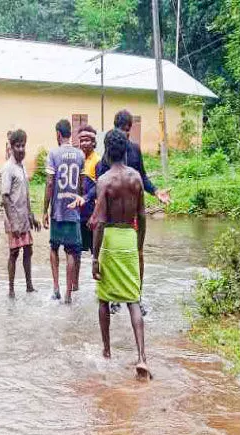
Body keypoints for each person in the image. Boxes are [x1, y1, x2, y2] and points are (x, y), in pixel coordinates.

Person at [91, 129, 151, 380]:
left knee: (104, 299)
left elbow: (100, 222)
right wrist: (139, 246)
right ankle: (142, 357)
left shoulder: (104, 181)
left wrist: (95, 256)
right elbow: (142, 216)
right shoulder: (136, 178)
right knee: (133, 299)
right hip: (129, 238)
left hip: (111, 240)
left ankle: (106, 351)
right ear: (126, 150)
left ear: (106, 152)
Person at [43, 119, 85, 304]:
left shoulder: (53, 154)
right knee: (70, 252)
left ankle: (56, 289)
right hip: (73, 209)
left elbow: (50, 183)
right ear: (70, 134)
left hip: (58, 209)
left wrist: (44, 210)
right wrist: (78, 201)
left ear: (58, 134)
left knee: (54, 247)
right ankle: (69, 295)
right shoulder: (80, 155)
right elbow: (82, 185)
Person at [1, 129, 40, 298]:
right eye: (18, 146)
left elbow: (26, 193)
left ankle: (29, 286)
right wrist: (14, 222)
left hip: (24, 217)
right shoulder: (8, 168)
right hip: (14, 219)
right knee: (14, 253)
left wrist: (32, 216)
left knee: (28, 250)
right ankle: (11, 289)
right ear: (11, 147)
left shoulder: (22, 167)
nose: (21, 149)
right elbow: (5, 197)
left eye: (23, 145)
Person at [75, 124, 100, 286]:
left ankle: (101, 288)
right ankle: (74, 287)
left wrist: (95, 215)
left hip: (92, 216)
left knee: (96, 254)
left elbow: (101, 189)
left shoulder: (98, 161)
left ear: (94, 142)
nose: (84, 143)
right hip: (78, 215)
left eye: (88, 140)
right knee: (75, 252)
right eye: (82, 140)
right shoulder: (77, 159)